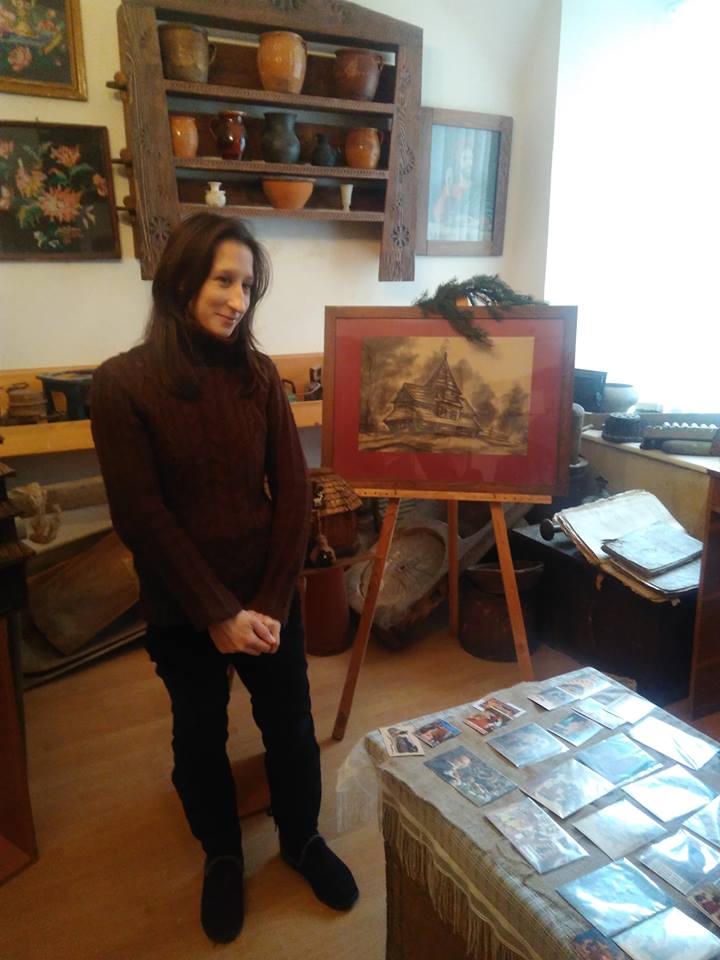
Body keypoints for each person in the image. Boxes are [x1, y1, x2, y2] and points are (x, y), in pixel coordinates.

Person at [90, 212, 358, 944]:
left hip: (266, 598)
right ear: (182, 282)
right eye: (224, 281)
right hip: (183, 606)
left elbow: (293, 491)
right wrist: (215, 613)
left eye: (248, 286)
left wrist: (267, 603)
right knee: (200, 735)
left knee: (291, 725)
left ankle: (301, 839)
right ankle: (223, 856)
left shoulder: (257, 375)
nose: (239, 300)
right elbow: (141, 516)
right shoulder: (122, 384)